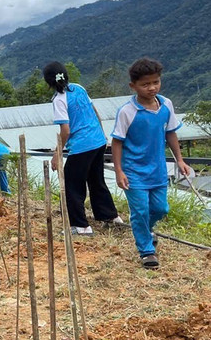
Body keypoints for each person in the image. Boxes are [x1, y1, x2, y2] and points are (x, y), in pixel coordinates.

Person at [111, 58, 189, 269]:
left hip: (157, 170)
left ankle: (146, 230)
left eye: (156, 82)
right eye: (145, 84)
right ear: (133, 86)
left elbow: (170, 133)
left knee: (161, 208)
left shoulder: (166, 105)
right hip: (133, 171)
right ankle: (146, 251)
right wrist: (119, 171)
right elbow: (117, 142)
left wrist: (180, 160)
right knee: (140, 211)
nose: (152, 87)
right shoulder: (127, 112)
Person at [44, 61, 121, 235]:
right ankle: (110, 216)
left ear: (48, 82)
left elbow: (66, 130)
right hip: (98, 141)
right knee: (96, 179)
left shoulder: (58, 99)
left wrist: (57, 154)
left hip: (82, 146)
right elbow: (95, 112)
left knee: (72, 185)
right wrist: (102, 135)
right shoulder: (78, 88)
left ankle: (80, 226)